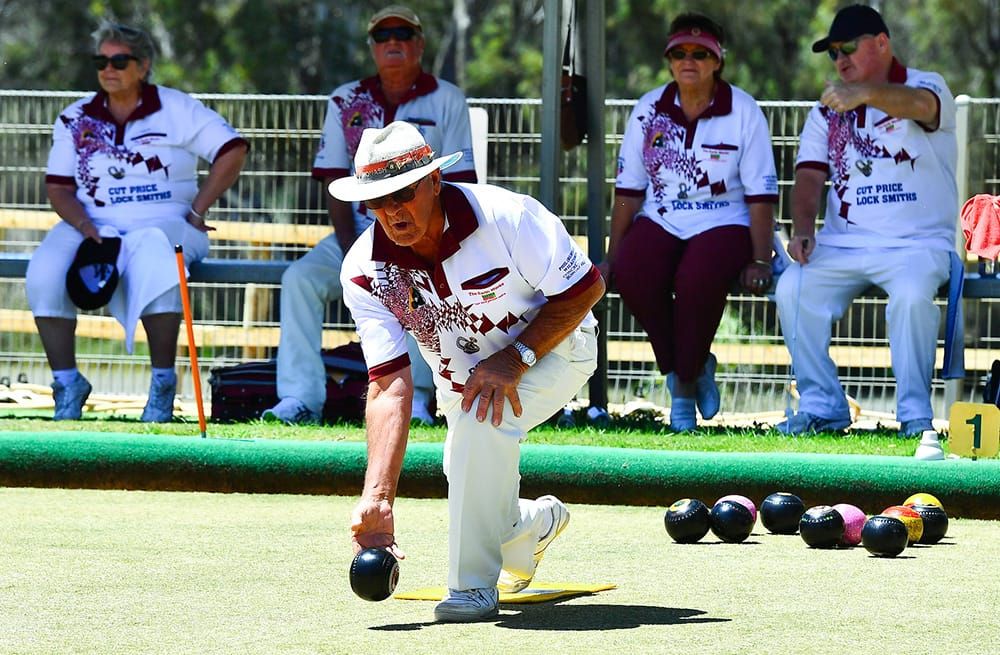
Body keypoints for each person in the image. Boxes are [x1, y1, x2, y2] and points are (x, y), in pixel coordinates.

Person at [336, 121, 603, 622]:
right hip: (459, 379)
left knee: (484, 423)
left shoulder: (508, 217)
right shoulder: (364, 270)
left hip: (557, 348)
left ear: (435, 181)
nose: (393, 212)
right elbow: (388, 383)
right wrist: (377, 498)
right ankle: (532, 525)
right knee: (470, 477)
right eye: (378, 201)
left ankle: (471, 589)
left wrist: (515, 358)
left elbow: (585, 288)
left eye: (404, 193)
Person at [263, 4, 477, 426]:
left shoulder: (449, 98)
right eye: (383, 36)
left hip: (422, 228)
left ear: (419, 44)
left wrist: (433, 237)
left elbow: (458, 180)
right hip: (360, 230)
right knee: (298, 279)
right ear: (372, 47)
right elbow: (335, 180)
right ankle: (301, 397)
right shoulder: (345, 100)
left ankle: (416, 400)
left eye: (402, 33)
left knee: (416, 281)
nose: (392, 42)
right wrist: (349, 250)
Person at [26, 20, 247, 422]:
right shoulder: (75, 118)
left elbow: (232, 149)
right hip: (94, 225)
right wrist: (85, 228)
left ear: (143, 66)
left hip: (173, 224)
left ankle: (163, 386)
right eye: (101, 61)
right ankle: (67, 383)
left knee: (154, 254)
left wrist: (197, 210)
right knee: (43, 271)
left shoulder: (176, 108)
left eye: (120, 61)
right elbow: (58, 188)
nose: (108, 69)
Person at [775, 4, 957, 437]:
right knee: (793, 287)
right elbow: (808, 176)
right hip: (843, 244)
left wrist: (867, 94)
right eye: (833, 52)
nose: (840, 60)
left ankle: (915, 417)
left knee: (912, 297)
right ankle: (823, 406)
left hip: (919, 244)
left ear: (881, 43)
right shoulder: (828, 109)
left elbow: (922, 107)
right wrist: (802, 229)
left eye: (849, 48)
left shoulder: (926, 84)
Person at [599, 13, 778, 431]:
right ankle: (692, 367)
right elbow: (628, 190)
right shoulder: (648, 109)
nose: (689, 60)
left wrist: (760, 260)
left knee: (695, 279)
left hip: (725, 220)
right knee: (633, 272)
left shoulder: (744, 110)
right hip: (663, 216)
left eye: (701, 53)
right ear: (668, 60)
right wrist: (612, 258)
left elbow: (761, 194)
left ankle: (681, 396)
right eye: (679, 53)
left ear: (718, 60)